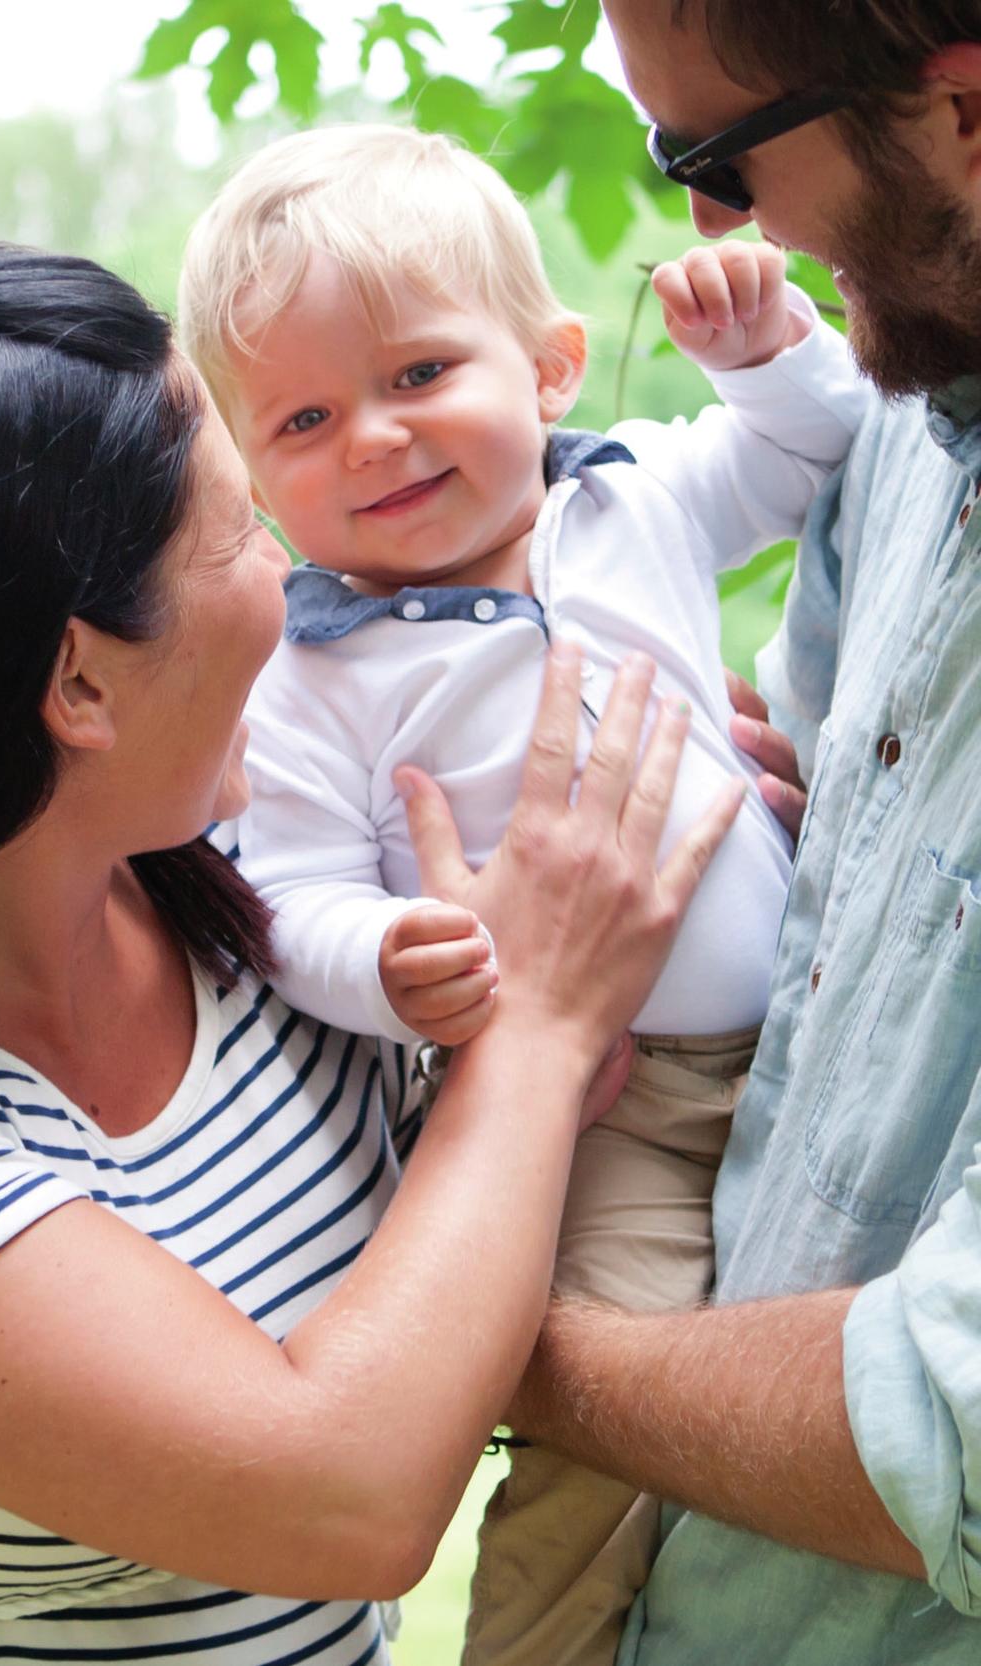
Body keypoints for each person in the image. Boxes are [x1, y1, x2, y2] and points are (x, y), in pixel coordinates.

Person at [0, 237, 743, 1664]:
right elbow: (347, 1493)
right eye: (241, 529)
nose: (296, 574)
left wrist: (692, 818)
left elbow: (462, 1226)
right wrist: (543, 1023)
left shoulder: (238, 919)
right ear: (78, 677)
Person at [176, 126, 865, 1666]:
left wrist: (766, 346)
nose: (371, 436)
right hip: (616, 1103)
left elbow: (825, 445)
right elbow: (283, 893)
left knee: (858, 1377)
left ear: (553, 369)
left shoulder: (635, 500)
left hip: (830, 1021)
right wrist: (392, 956)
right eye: (302, 416)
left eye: (419, 375)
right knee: (610, 1443)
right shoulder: (321, 672)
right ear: (256, 478)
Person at [455, 1, 981, 1661]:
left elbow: (952, 1438)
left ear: (960, 109)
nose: (709, 225)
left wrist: (481, 1330)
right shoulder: (910, 412)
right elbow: (817, 801)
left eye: (720, 158)